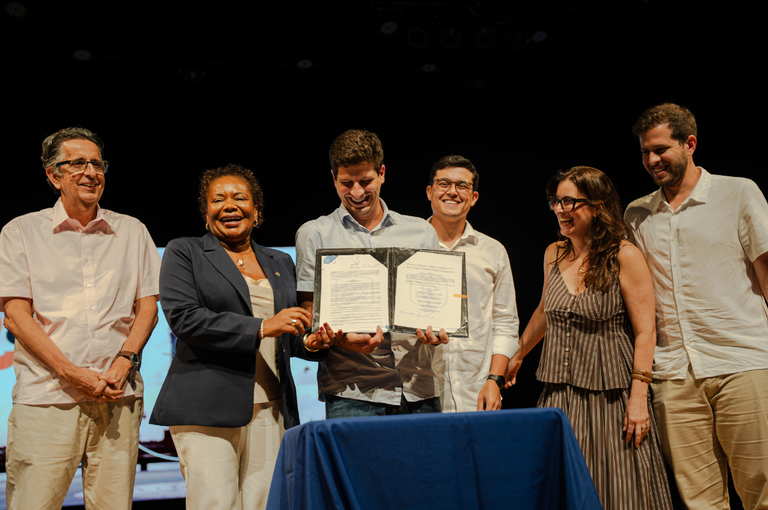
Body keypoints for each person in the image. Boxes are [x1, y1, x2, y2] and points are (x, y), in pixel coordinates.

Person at [150, 164, 334, 510]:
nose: (229, 205)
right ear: (207, 213)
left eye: (240, 198)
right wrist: (263, 326)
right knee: (215, 503)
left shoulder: (279, 260)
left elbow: (287, 333)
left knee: (267, 503)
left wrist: (311, 342)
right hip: (206, 406)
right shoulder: (184, 252)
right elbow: (185, 319)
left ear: (256, 210)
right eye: (217, 199)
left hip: (272, 406)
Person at [0, 127, 161, 510]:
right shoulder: (21, 231)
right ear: (53, 176)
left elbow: (149, 307)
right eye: (77, 163)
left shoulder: (132, 230)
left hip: (117, 395)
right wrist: (72, 373)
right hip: (46, 398)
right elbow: (16, 316)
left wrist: (125, 362)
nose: (91, 172)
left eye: (97, 163)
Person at [625, 103, 768, 510]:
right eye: (644, 152)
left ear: (690, 143)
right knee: (700, 502)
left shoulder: (738, 192)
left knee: (762, 492)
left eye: (660, 149)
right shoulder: (637, 213)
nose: (652, 160)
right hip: (673, 376)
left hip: (743, 361)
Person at [505, 166, 672, 509]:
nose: (560, 209)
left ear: (597, 205)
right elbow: (544, 312)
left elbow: (646, 332)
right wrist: (517, 354)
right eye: (555, 201)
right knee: (564, 487)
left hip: (611, 398)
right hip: (560, 395)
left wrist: (638, 398)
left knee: (620, 489)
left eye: (569, 201)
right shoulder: (554, 253)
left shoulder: (623, 255)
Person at [295, 129, 445, 419]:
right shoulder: (314, 234)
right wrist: (338, 339)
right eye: (346, 183)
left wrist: (438, 329)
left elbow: (435, 303)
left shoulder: (421, 231)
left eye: (365, 181)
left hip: (419, 388)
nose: (356, 192)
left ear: (382, 173)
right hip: (353, 392)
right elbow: (309, 311)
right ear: (333, 178)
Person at [424, 155, 519, 412]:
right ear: (430, 191)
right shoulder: (409, 248)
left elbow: (506, 323)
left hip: (476, 392)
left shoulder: (493, 250)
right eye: (444, 183)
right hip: (419, 393)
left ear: (474, 197)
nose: (452, 192)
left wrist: (495, 380)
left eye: (462, 186)